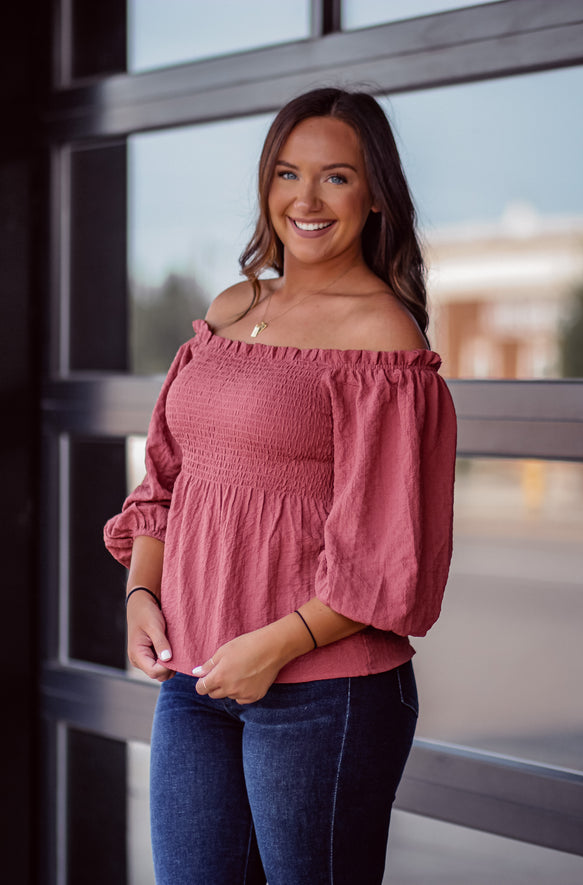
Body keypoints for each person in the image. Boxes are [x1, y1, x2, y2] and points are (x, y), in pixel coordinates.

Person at [104, 87, 456, 885]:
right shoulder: (232, 308)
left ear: (373, 197)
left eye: (336, 177)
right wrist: (141, 593)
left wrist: (272, 648)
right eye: (288, 174)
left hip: (321, 697)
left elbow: (389, 552)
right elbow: (167, 475)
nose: (306, 198)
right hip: (195, 682)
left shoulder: (384, 337)